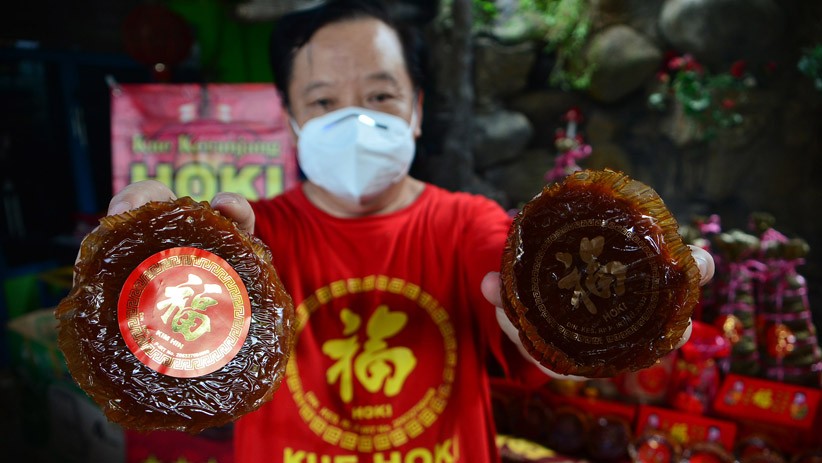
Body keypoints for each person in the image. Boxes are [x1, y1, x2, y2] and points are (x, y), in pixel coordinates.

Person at [107, 1, 715, 461]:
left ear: (417, 110)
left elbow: (518, 301)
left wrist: (582, 326)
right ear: (290, 119)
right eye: (323, 103)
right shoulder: (245, 238)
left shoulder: (466, 223)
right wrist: (146, 295)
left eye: (380, 95)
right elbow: (189, 355)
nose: (356, 120)